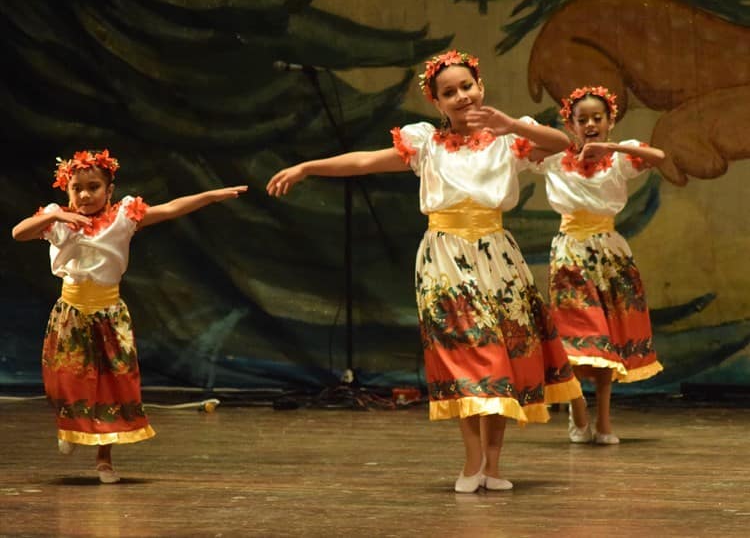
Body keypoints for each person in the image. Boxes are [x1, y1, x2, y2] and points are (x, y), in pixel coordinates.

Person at [266, 50, 582, 492]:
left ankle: (493, 464)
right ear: (436, 103)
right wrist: (307, 167)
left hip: (497, 257)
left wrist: (511, 125)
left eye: (466, 87)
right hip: (446, 258)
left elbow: (566, 145)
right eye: (448, 92)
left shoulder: (508, 139)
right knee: (469, 356)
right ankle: (472, 462)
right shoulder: (426, 145)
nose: (461, 97)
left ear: (481, 87)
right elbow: (362, 162)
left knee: (505, 358)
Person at [12, 149, 247, 483]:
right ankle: (70, 426)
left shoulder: (124, 217)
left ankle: (104, 460)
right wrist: (57, 218)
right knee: (64, 380)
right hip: (71, 314)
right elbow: (18, 233)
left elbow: (169, 209)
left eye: (93, 187)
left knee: (113, 387)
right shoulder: (56, 220)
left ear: (108, 191)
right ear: (67, 191)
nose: (84, 195)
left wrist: (209, 195)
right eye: (77, 188)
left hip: (109, 314)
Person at [526, 86, 665, 444]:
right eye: (582, 119)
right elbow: (522, 148)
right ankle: (577, 407)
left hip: (609, 252)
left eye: (597, 118)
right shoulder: (556, 159)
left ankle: (603, 419)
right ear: (570, 124)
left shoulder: (619, 159)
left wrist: (612, 148)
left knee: (608, 338)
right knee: (575, 336)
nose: (590, 124)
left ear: (610, 121)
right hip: (571, 253)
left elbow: (660, 156)